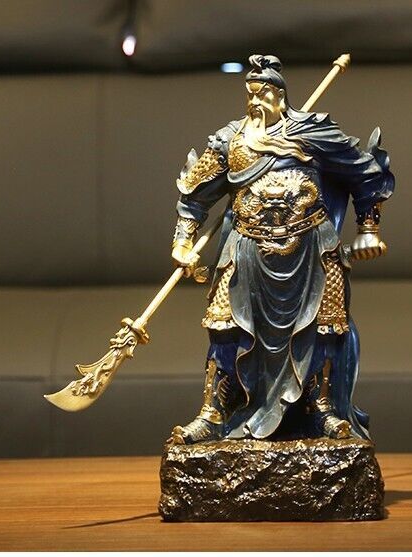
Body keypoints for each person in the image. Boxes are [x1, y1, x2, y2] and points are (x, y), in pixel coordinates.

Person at [167, 54, 394, 445]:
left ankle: (321, 409)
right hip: (246, 250)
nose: (256, 101)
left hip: (312, 248)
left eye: (264, 93)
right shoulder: (230, 140)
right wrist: (182, 241)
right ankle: (213, 412)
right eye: (250, 93)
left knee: (324, 325)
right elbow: (194, 194)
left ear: (280, 95)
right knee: (224, 325)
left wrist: (368, 229)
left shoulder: (312, 132)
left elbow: (365, 172)